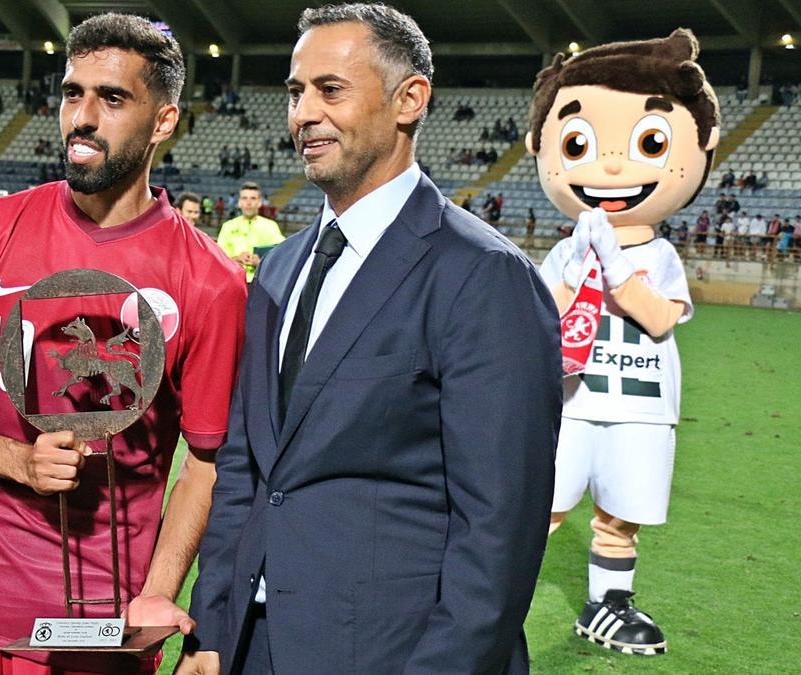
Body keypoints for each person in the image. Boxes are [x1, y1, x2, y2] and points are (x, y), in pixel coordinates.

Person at [180, 5, 561, 674]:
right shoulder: (279, 266)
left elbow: (500, 527)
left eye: (330, 89)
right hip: (250, 644)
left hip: (393, 653)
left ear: (409, 99)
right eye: (296, 92)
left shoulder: (484, 275)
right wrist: (211, 631)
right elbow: (245, 470)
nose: (303, 113)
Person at [0, 14, 247, 675]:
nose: (81, 117)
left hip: (102, 621)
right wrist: (19, 459)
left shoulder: (211, 282)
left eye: (112, 98)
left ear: (164, 120)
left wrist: (157, 592)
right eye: (72, 93)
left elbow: (205, 465)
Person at [528, 29, 715, 656]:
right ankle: (489, 594)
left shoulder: (660, 254)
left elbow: (661, 319)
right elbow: (540, 318)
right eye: (580, 145)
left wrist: (615, 272)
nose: (610, 166)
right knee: (541, 509)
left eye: (646, 145)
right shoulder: (564, 248)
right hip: (571, 401)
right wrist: (578, 267)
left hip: (639, 404)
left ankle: (606, 607)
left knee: (618, 521)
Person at [216, 181, 285, 283]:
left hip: (261, 283)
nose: (248, 203)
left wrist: (261, 262)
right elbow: (219, 259)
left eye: (253, 198)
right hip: (234, 283)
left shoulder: (270, 226)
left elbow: (281, 257)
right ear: (239, 202)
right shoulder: (228, 227)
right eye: (244, 198)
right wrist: (238, 258)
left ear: (259, 202)